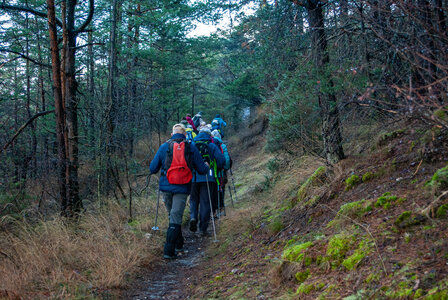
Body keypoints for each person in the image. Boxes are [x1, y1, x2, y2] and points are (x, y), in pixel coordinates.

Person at [150, 124, 209, 259]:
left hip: (166, 187)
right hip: (182, 187)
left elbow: (153, 168)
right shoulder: (190, 147)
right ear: (185, 135)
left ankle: (174, 247)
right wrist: (206, 165)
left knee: (173, 216)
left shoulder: (164, 147)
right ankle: (170, 250)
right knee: (175, 217)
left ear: (172, 134)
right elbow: (202, 170)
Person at [189, 127, 225, 236]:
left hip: (193, 177)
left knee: (194, 200)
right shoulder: (211, 145)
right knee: (205, 203)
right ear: (210, 135)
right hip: (208, 177)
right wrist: (216, 168)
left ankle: (193, 217)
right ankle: (202, 229)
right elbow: (221, 160)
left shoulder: (192, 145)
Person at [211, 130, 231, 216]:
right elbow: (226, 160)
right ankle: (221, 207)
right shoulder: (222, 145)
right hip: (221, 171)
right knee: (221, 187)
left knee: (213, 189)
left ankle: (213, 210)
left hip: (211, 172)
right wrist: (225, 168)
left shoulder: (209, 145)